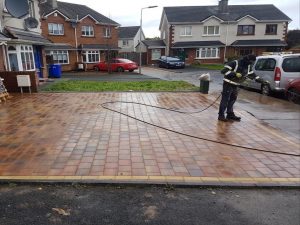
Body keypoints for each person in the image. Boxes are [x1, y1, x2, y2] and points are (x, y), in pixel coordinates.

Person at [218, 54, 266, 122]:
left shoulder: (248, 66)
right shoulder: (235, 63)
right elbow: (223, 71)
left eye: (253, 62)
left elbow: (251, 74)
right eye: (251, 61)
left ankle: (230, 114)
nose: (251, 63)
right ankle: (221, 115)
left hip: (236, 85)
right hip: (228, 84)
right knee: (225, 100)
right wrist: (235, 74)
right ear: (247, 60)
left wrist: (262, 81)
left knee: (232, 100)